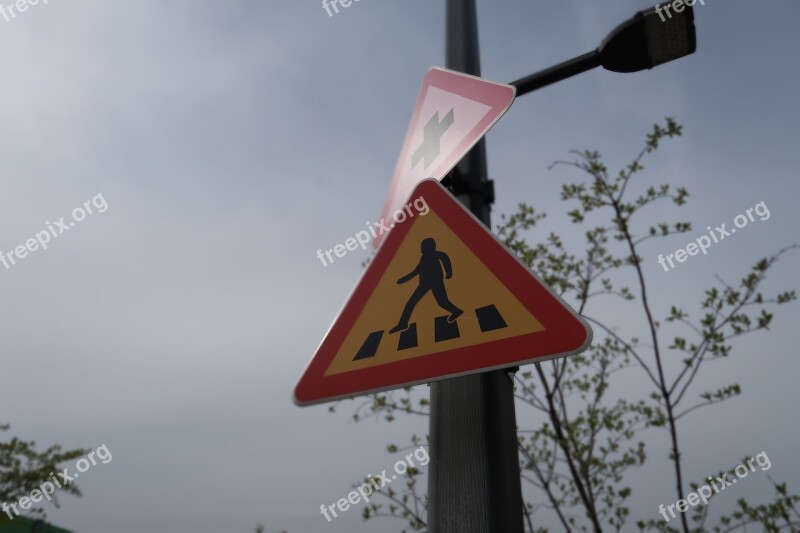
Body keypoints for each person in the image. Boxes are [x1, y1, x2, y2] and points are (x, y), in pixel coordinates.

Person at [389, 237, 463, 334]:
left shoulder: (436, 254)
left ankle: (456, 311)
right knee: (411, 303)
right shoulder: (423, 258)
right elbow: (416, 271)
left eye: (424, 246)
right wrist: (403, 279)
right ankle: (403, 324)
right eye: (422, 246)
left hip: (436, 282)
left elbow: (445, 258)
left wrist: (449, 272)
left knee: (442, 302)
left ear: (430, 247)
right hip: (424, 284)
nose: (422, 248)